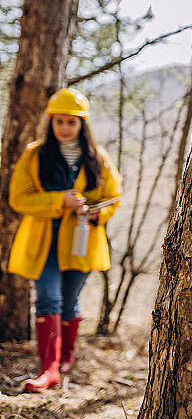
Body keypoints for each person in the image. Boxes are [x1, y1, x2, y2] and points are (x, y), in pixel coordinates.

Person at [8, 88, 121, 393]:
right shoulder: (34, 155)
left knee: (70, 301)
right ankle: (49, 370)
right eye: (59, 121)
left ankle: (66, 359)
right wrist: (60, 200)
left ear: (82, 124)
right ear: (51, 122)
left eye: (72, 122)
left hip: (81, 241)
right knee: (47, 298)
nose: (65, 127)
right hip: (43, 242)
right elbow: (19, 199)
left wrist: (95, 212)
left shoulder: (98, 158)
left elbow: (113, 197)